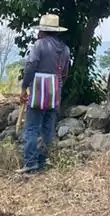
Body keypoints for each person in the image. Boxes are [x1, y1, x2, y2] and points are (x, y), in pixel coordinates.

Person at [20, 14, 72, 174]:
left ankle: (30, 162)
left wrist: (24, 87)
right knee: (48, 128)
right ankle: (42, 161)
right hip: (55, 91)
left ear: (42, 30)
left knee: (32, 127)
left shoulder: (39, 45)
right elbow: (64, 73)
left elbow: (31, 67)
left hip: (38, 90)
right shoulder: (65, 49)